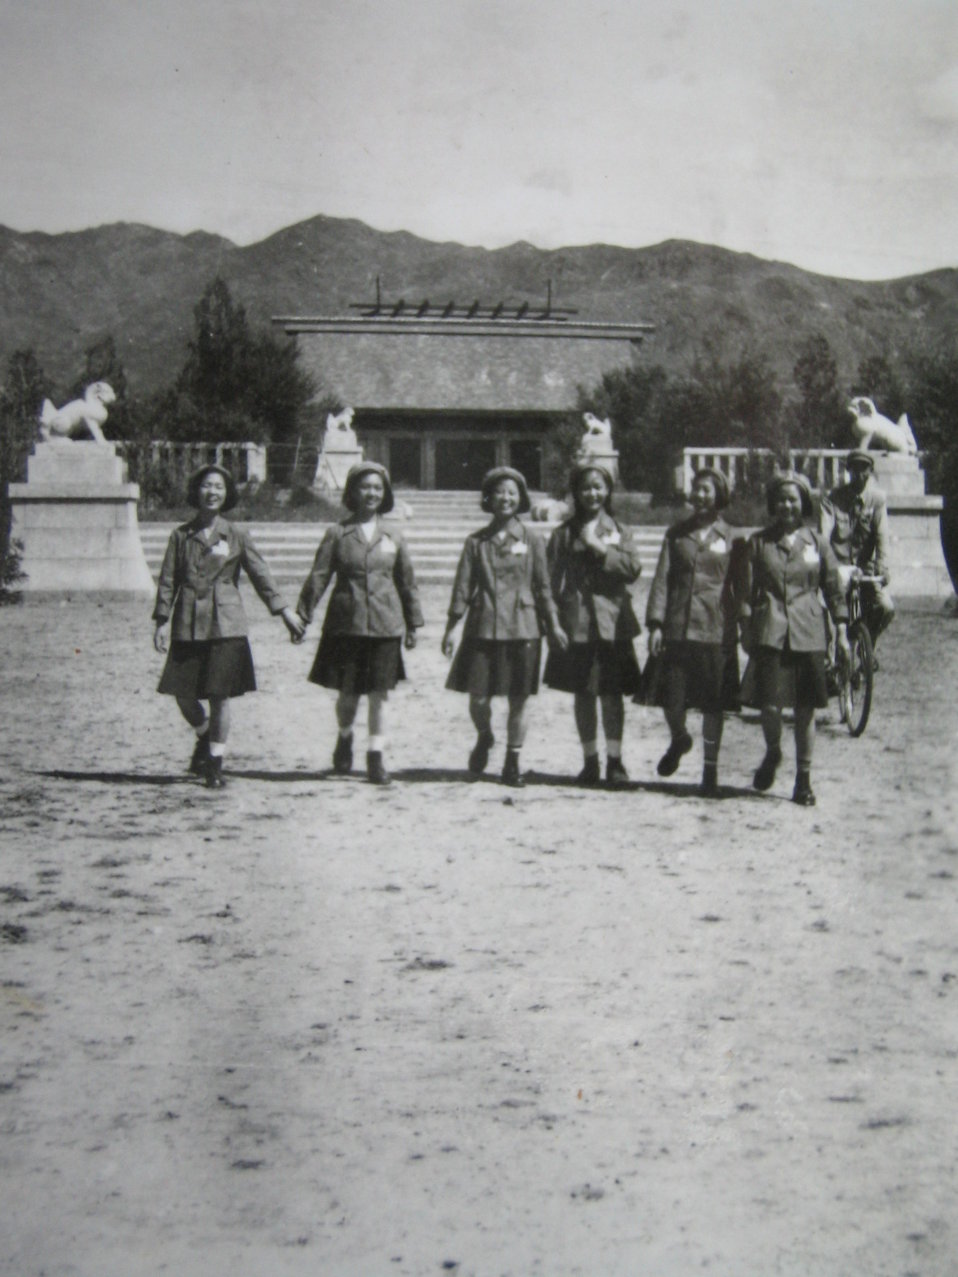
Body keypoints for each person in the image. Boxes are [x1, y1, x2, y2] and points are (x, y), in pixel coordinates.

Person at [153, 464, 304, 788]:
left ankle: (215, 764)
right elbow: (168, 580)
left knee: (220, 695)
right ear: (197, 492)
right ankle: (205, 734)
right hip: (188, 623)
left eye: (219, 487)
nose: (212, 492)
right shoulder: (180, 536)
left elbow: (260, 575)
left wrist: (284, 611)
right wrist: (162, 620)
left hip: (226, 625)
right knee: (182, 693)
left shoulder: (236, 534)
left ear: (226, 494)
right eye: (207, 486)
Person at [296, 462, 423, 785]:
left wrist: (413, 623)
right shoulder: (337, 533)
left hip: (385, 624)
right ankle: (345, 734)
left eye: (378, 488)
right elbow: (319, 576)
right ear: (353, 492)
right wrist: (304, 613)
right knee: (348, 694)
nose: (372, 493)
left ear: (386, 494)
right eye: (365, 487)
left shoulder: (394, 534)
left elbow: (407, 581)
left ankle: (376, 756)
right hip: (346, 623)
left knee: (380, 693)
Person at [442, 467, 568, 788]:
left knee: (519, 698)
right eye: (499, 492)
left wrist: (553, 625)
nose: (506, 498)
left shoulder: (534, 540)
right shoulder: (475, 542)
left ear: (521, 499)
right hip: (482, 627)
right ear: (488, 498)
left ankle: (512, 761)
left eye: (512, 492)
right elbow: (462, 586)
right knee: (478, 698)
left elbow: (543, 587)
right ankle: (485, 736)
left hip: (524, 628)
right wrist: (451, 627)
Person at [740, 472, 849, 807]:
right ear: (774, 504)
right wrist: (746, 627)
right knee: (769, 705)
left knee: (805, 709)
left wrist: (842, 629)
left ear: (803, 503)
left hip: (808, 632)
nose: (788, 505)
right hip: (770, 631)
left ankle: (803, 780)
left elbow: (833, 589)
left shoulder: (818, 543)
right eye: (782, 499)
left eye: (794, 499)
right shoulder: (758, 542)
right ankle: (773, 752)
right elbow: (744, 593)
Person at [644, 467, 742, 797]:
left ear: (719, 496)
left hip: (715, 628)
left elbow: (740, 587)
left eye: (707, 490)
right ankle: (679, 738)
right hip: (677, 628)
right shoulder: (675, 534)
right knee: (672, 698)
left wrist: (740, 625)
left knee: (713, 704)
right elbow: (661, 581)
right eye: (696, 489)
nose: (700, 496)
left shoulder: (732, 538)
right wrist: (656, 624)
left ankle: (709, 772)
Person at [543, 461, 642, 786]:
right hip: (578, 623)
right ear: (576, 492)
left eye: (599, 486)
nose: (592, 493)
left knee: (612, 693)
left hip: (613, 623)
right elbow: (547, 581)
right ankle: (590, 761)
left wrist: (599, 547)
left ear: (609, 491)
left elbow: (632, 568)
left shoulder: (620, 530)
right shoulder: (562, 534)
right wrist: (553, 624)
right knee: (583, 694)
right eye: (586, 487)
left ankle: (615, 761)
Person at [818, 448, 895, 661]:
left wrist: (882, 566)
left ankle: (867, 645)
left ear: (871, 471)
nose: (859, 474)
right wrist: (827, 566)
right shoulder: (832, 499)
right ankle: (830, 658)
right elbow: (824, 537)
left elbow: (882, 537)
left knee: (885, 607)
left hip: (864, 570)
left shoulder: (877, 500)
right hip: (837, 567)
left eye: (864, 469)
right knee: (825, 609)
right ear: (848, 470)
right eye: (855, 468)